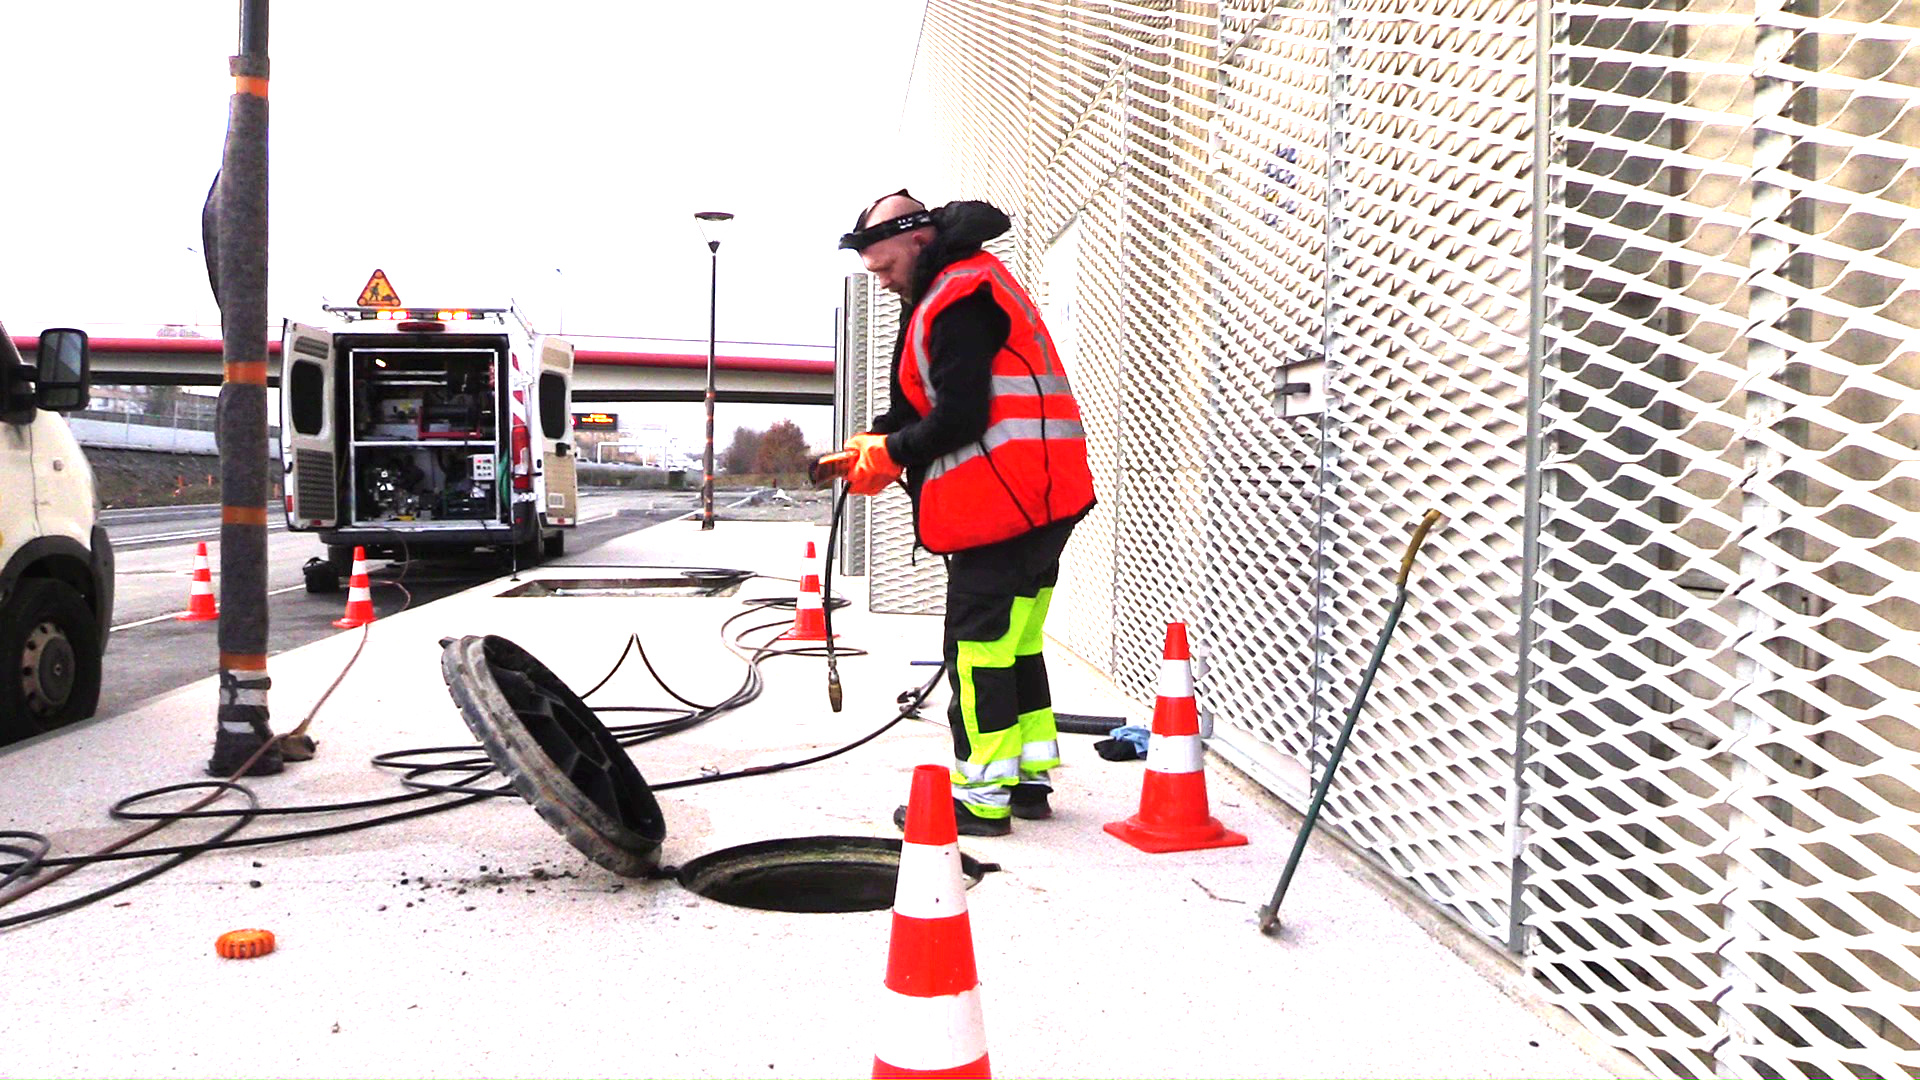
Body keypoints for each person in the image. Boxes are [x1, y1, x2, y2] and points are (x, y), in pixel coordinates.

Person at [837, 190, 1097, 836]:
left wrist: (893, 452)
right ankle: (1028, 780)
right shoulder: (945, 289)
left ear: (920, 243)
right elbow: (917, 404)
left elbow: (959, 416)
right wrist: (872, 446)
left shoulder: (959, 296)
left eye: (887, 267)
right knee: (1016, 643)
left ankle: (982, 798)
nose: (885, 280)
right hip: (1043, 499)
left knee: (978, 651)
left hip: (1004, 504)